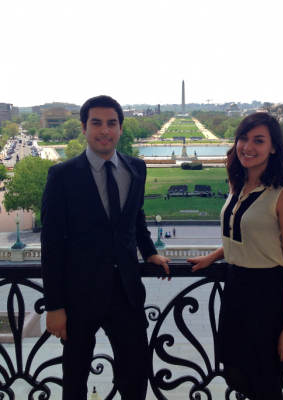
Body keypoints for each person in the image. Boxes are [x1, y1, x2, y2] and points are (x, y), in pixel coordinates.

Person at [41, 95, 170, 400]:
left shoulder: (136, 168)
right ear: (84, 127)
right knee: (74, 380)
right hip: (78, 297)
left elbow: (135, 217)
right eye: (96, 123)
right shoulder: (61, 176)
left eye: (111, 123)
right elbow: (51, 244)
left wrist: (149, 250)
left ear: (120, 128)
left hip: (125, 293)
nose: (104, 130)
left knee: (135, 375)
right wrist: (54, 306)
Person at [187, 113, 283, 400]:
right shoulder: (238, 184)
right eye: (243, 138)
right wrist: (215, 256)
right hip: (237, 292)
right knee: (237, 375)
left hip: (268, 299)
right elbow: (246, 236)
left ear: (274, 147)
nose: (248, 146)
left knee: (265, 382)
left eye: (259, 140)